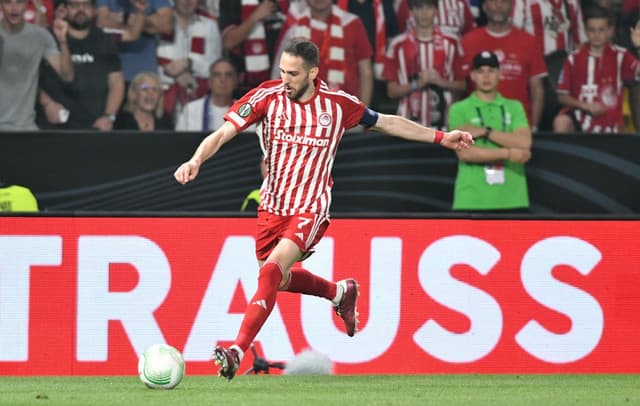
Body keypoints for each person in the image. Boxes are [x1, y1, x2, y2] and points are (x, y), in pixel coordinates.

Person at [173, 39, 474, 381]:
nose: (285, 79)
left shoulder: (338, 105)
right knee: (277, 279)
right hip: (272, 206)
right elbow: (223, 133)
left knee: (270, 273)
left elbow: (386, 122)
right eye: (282, 71)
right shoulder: (266, 97)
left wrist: (441, 137)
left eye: (293, 73)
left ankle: (236, 351)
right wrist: (196, 159)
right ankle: (339, 292)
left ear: (313, 73)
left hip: (311, 207)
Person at [449, 51, 532, 211]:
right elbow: (465, 153)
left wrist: (484, 131)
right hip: (471, 198)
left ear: (499, 74)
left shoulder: (515, 106)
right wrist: (509, 153)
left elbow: (524, 143)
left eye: (491, 71)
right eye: (480, 71)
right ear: (472, 75)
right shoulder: (458, 109)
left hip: (513, 198)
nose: (486, 76)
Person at [459, 0, 548, 129]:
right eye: (494, 1)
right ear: (484, 6)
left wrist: (533, 127)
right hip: (476, 124)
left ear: (512, 6)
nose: (499, 5)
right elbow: (459, 86)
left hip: (517, 125)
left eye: (504, 1)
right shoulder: (467, 41)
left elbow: (537, 89)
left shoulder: (529, 42)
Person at [37, 0, 124, 130]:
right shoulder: (47, 37)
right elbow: (30, 79)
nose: (81, 10)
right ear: (65, 9)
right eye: (75, 5)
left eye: (86, 5)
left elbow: (116, 82)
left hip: (95, 126)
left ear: (94, 10)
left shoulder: (105, 40)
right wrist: (47, 103)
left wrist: (109, 116)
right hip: (54, 126)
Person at [553, 6, 640, 133]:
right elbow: (562, 96)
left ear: (610, 30)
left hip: (611, 128)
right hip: (579, 125)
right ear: (585, 30)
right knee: (560, 121)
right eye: (592, 30)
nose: (596, 35)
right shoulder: (573, 58)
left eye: (601, 30)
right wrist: (586, 106)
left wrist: (639, 48)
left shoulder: (621, 56)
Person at [272, 0, 374, 105]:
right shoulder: (294, 27)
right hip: (301, 108)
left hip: (345, 106)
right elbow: (279, 72)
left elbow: (365, 71)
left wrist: (363, 111)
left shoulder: (352, 23)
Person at [383, 0, 465, 129]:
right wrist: (417, 84)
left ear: (436, 11)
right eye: (419, 8)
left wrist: (441, 82)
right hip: (407, 123)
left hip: (444, 122)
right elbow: (391, 92)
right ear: (411, 12)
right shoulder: (397, 45)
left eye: (429, 8)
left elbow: (462, 85)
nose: (424, 13)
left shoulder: (452, 42)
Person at [0, 0, 73, 130]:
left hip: (25, 127)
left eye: (19, 2)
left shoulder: (40, 36)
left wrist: (63, 41)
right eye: (8, 2)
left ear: (26, 4)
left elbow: (67, 76)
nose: (14, 8)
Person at [157, 0, 222, 120]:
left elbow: (215, 67)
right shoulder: (161, 25)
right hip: (162, 96)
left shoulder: (209, 26)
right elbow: (152, 63)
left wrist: (190, 63)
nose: (187, 1)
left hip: (197, 93)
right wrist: (176, 76)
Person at [219, 0, 289, 95]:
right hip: (245, 87)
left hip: (281, 83)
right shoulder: (232, 2)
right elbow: (228, 42)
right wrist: (256, 16)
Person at [96, 0, 172, 84]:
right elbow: (101, 24)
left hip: (144, 74)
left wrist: (126, 18)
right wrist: (144, 22)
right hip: (109, 74)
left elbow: (166, 25)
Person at [175, 57, 239, 131]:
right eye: (217, 75)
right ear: (209, 82)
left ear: (235, 81)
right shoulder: (190, 110)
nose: (223, 79)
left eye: (228, 75)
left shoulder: (245, 112)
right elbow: (179, 138)